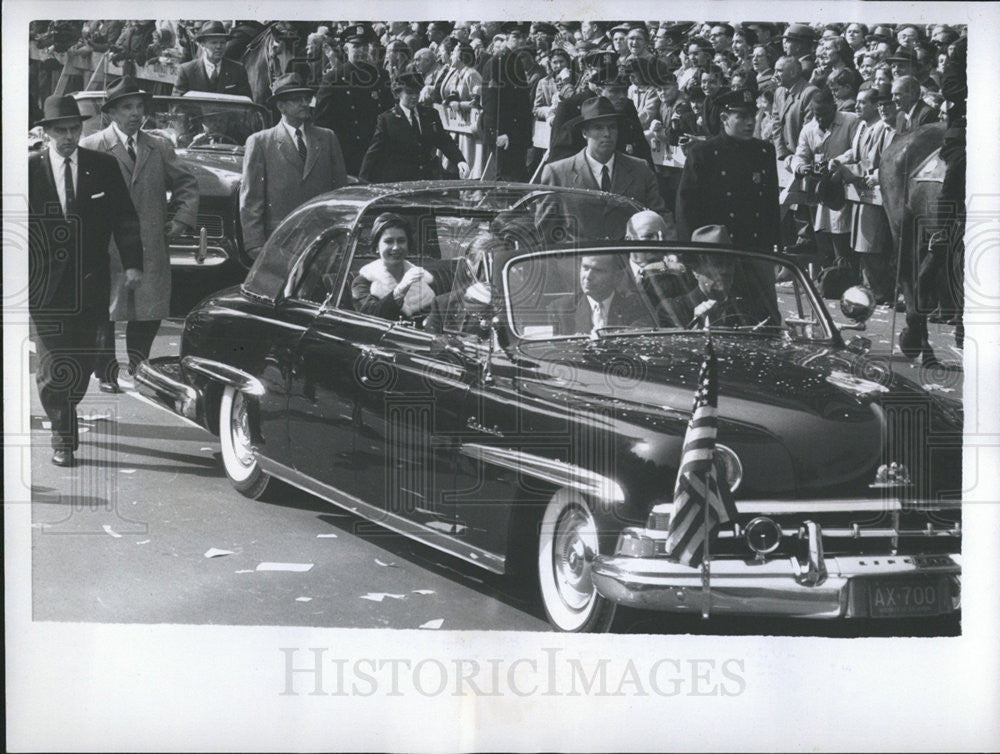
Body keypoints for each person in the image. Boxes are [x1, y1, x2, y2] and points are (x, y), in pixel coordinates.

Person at [29, 95, 144, 466]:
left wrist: (132, 264)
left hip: (90, 282)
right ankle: (63, 438)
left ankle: (67, 410)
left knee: (82, 363)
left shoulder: (103, 167)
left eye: (74, 129)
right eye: (60, 130)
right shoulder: (26, 170)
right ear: (46, 133)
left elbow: (124, 219)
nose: (68, 136)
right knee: (52, 369)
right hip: (43, 286)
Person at [80, 77, 198, 391]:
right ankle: (105, 372)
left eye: (139, 106)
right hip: (107, 245)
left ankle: (138, 365)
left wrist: (183, 219)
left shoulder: (158, 145)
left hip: (149, 241)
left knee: (149, 308)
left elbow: (187, 183)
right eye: (127, 107)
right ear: (111, 113)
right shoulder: (93, 146)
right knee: (105, 309)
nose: (135, 113)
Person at [240, 73, 348, 258]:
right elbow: (251, 198)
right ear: (281, 106)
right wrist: (254, 243)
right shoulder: (260, 142)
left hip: (322, 236)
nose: (305, 104)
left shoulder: (327, 138)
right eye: (297, 100)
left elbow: (340, 190)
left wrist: (342, 233)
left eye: (306, 98)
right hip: (278, 238)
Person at [675, 88, 780, 253]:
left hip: (757, 247)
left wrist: (776, 246)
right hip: (718, 249)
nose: (750, 122)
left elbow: (771, 204)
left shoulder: (764, 152)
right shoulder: (703, 154)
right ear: (724, 118)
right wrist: (690, 252)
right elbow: (687, 206)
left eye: (752, 116)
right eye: (742, 116)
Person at [538, 96, 666, 218]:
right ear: (584, 133)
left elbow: (660, 217)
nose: (607, 134)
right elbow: (546, 231)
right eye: (598, 128)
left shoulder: (640, 169)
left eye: (612, 127)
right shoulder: (558, 173)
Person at [791, 87, 862, 275]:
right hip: (819, 188)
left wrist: (839, 160)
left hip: (843, 186)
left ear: (834, 106)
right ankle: (830, 271)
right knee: (822, 230)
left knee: (842, 229)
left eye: (824, 114)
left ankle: (845, 270)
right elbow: (800, 154)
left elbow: (857, 150)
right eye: (817, 115)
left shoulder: (850, 121)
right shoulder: (809, 129)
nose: (821, 119)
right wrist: (800, 167)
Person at [314, 24, 395, 177]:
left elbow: (389, 112)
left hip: (375, 151)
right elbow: (321, 120)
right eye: (356, 46)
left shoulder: (380, 76)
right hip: (347, 153)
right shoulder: (334, 78)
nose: (362, 51)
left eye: (365, 46)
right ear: (346, 49)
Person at [359, 71, 469, 183]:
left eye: (417, 93)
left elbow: (443, 140)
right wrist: (363, 179)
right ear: (398, 94)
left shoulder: (430, 115)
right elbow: (375, 150)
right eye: (409, 93)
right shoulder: (387, 119)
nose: (414, 97)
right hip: (400, 181)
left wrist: (460, 161)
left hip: (427, 178)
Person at [351, 212, 438, 319]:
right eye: (389, 241)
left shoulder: (423, 277)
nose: (396, 247)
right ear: (376, 247)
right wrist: (400, 290)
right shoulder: (363, 282)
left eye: (401, 241)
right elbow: (371, 317)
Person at [480, 22, 534, 181]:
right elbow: (491, 101)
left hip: (515, 132)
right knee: (505, 178)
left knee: (516, 176)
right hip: (504, 132)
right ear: (506, 38)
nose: (521, 41)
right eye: (516, 36)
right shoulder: (497, 61)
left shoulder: (514, 60)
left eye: (524, 36)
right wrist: (499, 131)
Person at [548, 254, 651, 335]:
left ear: (618, 277)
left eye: (598, 271)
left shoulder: (635, 308)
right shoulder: (561, 309)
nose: (588, 276)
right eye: (585, 268)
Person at [424, 234, 499, 335]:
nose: (493, 273)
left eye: (499, 265)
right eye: (484, 266)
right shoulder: (443, 306)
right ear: (469, 269)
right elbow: (434, 346)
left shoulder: (518, 305)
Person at [172, 21, 252, 98]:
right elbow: (177, 105)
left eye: (222, 43)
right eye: (214, 42)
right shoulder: (186, 71)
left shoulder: (238, 70)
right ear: (202, 45)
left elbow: (246, 104)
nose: (218, 47)